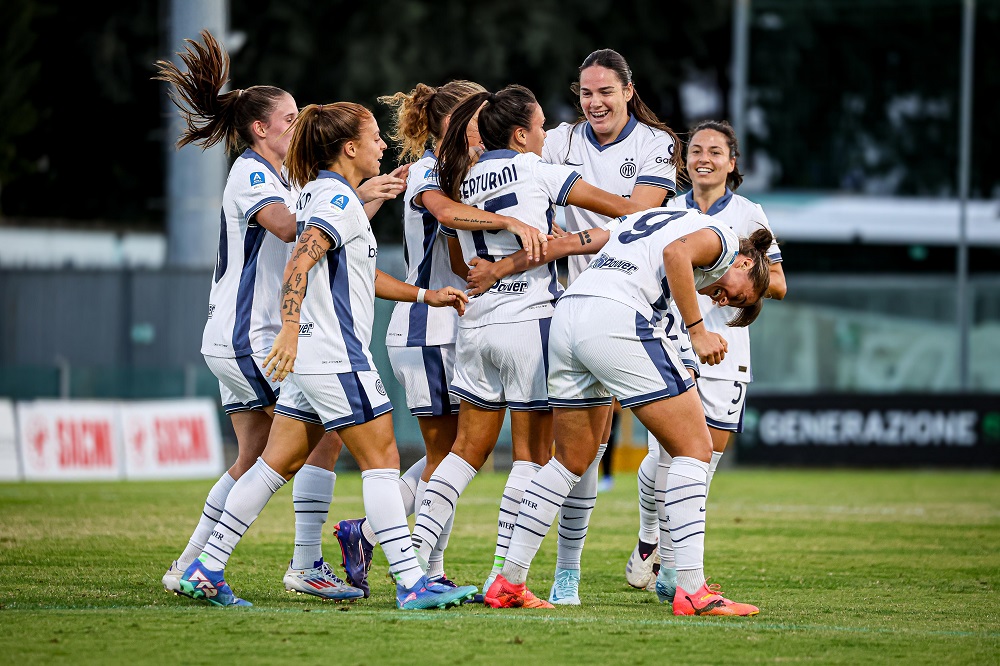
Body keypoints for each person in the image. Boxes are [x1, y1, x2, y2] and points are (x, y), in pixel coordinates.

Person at [152, 31, 403, 602]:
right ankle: (304, 562)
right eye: (289, 118)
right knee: (317, 440)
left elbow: (323, 229)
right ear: (260, 129)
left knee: (260, 455)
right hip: (253, 333)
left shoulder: (287, 177)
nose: (298, 124)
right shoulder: (252, 173)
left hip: (243, 334)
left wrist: (367, 192)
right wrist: (363, 192)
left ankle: (191, 565)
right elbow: (295, 233)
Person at [407, 84, 645, 608]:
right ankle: (503, 578)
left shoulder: (460, 176)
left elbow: (458, 251)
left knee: (463, 454)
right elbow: (623, 212)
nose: (544, 137)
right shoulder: (537, 169)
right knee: (532, 458)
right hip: (529, 322)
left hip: (475, 324)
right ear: (520, 134)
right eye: (540, 128)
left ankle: (415, 570)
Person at [467, 47, 683, 605]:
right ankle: (581, 572)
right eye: (586, 93)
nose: (595, 102)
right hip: (566, 308)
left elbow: (634, 221)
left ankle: (621, 558)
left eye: (606, 92)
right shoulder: (558, 141)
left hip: (625, 304)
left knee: (590, 448)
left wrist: (510, 260)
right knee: (586, 448)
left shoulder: (655, 146)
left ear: (628, 92)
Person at [480, 206, 770, 616]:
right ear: (744, 261)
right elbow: (675, 254)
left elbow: (600, 240)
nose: (721, 299)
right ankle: (691, 589)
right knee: (695, 448)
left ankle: (509, 581)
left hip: (572, 309)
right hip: (615, 315)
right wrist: (697, 330)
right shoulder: (722, 237)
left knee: (570, 460)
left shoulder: (661, 218)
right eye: (735, 293)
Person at [330, 80, 487, 595]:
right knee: (452, 453)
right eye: (479, 116)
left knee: (454, 452)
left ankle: (398, 548)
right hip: (429, 327)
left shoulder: (450, 168)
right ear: (456, 121)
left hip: (442, 325)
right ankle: (412, 562)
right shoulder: (431, 169)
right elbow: (459, 254)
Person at [631, 119, 786, 597]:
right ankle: (656, 551)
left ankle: (667, 562)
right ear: (685, 160)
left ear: (731, 163)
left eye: (715, 151)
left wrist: (734, 284)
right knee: (664, 456)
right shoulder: (667, 210)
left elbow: (777, 284)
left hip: (727, 353)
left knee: (701, 464)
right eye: (696, 149)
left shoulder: (748, 213)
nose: (704, 158)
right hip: (671, 343)